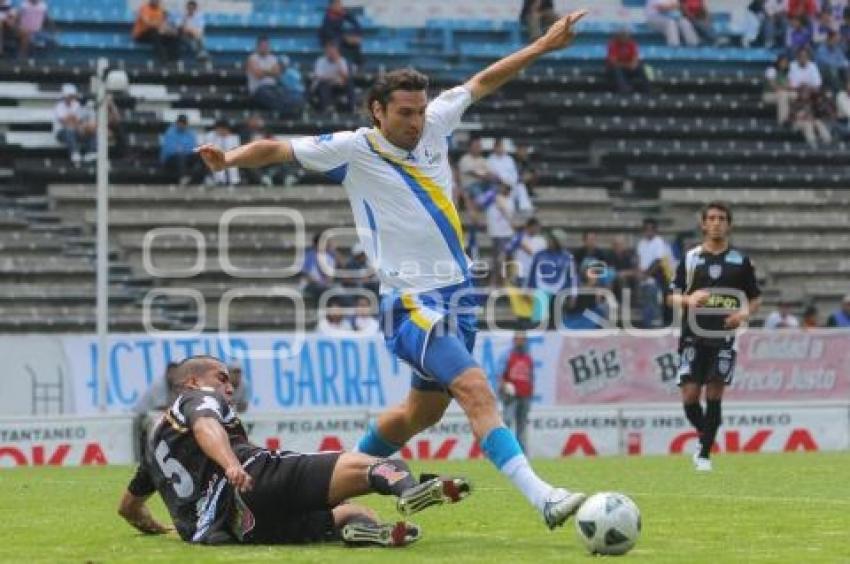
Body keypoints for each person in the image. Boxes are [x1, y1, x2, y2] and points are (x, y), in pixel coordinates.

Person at [198, 10, 592, 531]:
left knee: (417, 416)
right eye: (404, 112)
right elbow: (277, 148)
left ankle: (327, 491)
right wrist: (228, 159)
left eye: (420, 111)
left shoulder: (437, 123)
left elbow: (484, 79)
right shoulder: (353, 149)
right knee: (476, 388)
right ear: (377, 111)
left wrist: (543, 44)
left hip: (458, 298)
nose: (416, 121)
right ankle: (543, 497)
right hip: (410, 304)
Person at [117, 356, 471, 546]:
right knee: (381, 465)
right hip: (253, 481)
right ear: (192, 382)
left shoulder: (153, 446)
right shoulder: (196, 399)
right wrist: (229, 465)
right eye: (221, 377)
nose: (229, 385)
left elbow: (128, 508)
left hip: (239, 531)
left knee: (351, 513)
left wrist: (156, 527)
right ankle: (409, 490)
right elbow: (206, 427)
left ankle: (367, 533)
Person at [667, 202, 761, 472]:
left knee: (714, 391)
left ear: (729, 224)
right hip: (692, 335)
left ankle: (704, 455)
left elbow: (754, 299)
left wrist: (742, 315)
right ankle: (706, 436)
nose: (717, 222)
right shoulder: (691, 258)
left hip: (723, 336)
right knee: (689, 396)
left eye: (722, 218)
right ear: (703, 224)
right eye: (711, 218)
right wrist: (688, 298)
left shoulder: (740, 262)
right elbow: (669, 296)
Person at [526, 229, 579, 330]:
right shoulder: (539, 255)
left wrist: (574, 295)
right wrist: (529, 289)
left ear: (558, 242)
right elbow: (532, 274)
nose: (549, 241)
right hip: (541, 292)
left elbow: (573, 277)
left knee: (557, 323)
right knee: (537, 323)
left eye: (552, 240)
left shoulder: (567, 257)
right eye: (548, 239)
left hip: (559, 292)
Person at [499, 332, 534, 453]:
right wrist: (505, 387)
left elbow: (530, 377)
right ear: (514, 340)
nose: (521, 342)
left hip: (525, 396)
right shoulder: (507, 355)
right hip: (511, 396)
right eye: (518, 339)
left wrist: (530, 394)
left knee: (522, 426)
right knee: (507, 422)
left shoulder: (528, 357)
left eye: (523, 339)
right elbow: (500, 375)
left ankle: (522, 453)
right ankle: (506, 451)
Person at [637, 218, 673, 328]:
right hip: (642, 274)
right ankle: (646, 321)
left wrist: (646, 275)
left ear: (655, 230)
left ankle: (654, 321)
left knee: (652, 292)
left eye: (650, 229)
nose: (648, 231)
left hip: (657, 274)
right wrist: (639, 273)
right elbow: (639, 259)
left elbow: (658, 262)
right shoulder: (641, 243)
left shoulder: (659, 242)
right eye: (646, 229)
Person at [246, 36, 290, 114]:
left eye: (266, 46)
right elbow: (258, 74)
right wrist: (271, 71)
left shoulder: (273, 58)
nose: (265, 48)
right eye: (263, 46)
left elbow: (277, 73)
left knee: (287, 94)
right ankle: (283, 114)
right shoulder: (252, 58)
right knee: (271, 97)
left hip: (273, 87)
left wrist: (264, 71)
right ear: (258, 47)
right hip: (258, 89)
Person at [53, 84, 93, 165]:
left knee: (90, 130)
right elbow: (64, 121)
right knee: (69, 130)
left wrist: (74, 120)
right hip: (61, 132)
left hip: (76, 130)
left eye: (72, 96)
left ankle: (91, 153)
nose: (71, 98)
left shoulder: (77, 105)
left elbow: (78, 120)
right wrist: (73, 119)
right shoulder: (59, 106)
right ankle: (74, 153)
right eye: (69, 95)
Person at [313, 42, 355, 113]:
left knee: (349, 83)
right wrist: (333, 78)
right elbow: (319, 76)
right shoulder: (321, 61)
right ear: (326, 52)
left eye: (333, 51)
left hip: (337, 83)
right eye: (329, 51)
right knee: (323, 84)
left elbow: (345, 76)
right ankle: (325, 109)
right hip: (325, 83)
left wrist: (338, 64)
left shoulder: (341, 60)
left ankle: (351, 108)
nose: (331, 53)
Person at [318, 0, 363, 68]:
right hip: (330, 40)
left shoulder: (343, 13)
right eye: (337, 4)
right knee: (337, 46)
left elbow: (356, 24)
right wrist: (345, 38)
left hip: (341, 38)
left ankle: (358, 65)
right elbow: (328, 33)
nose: (339, 6)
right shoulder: (328, 17)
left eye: (339, 4)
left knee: (355, 44)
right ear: (331, 6)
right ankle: (344, 67)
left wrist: (355, 36)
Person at [161, 114, 203, 185]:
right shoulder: (170, 133)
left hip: (186, 157)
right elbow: (169, 149)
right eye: (180, 123)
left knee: (202, 156)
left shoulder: (190, 133)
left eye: (184, 123)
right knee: (180, 156)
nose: (182, 125)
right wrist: (183, 150)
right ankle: (183, 177)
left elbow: (193, 147)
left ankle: (205, 178)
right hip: (170, 159)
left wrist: (182, 149)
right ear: (177, 123)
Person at [606, 29, 650, 95]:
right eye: (622, 37)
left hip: (628, 67)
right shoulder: (613, 44)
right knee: (616, 69)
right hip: (617, 68)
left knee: (641, 68)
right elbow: (613, 62)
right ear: (618, 37)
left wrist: (633, 64)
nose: (624, 39)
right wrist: (628, 65)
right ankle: (624, 89)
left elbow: (635, 57)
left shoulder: (632, 44)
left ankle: (647, 89)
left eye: (626, 37)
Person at [203, 120, 240, 185]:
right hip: (214, 157)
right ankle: (220, 181)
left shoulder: (234, 137)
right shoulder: (210, 136)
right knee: (218, 161)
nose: (222, 131)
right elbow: (207, 149)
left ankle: (234, 181)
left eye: (224, 129)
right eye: (220, 129)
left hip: (229, 156)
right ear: (217, 129)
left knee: (233, 162)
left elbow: (236, 149)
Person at [764, 53, 795, 124]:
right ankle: (783, 121)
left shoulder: (787, 73)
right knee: (783, 95)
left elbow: (791, 86)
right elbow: (774, 87)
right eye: (782, 62)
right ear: (778, 62)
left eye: (786, 62)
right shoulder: (771, 70)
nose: (784, 64)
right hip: (769, 95)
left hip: (783, 94)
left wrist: (784, 87)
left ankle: (796, 119)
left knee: (795, 95)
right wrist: (785, 87)